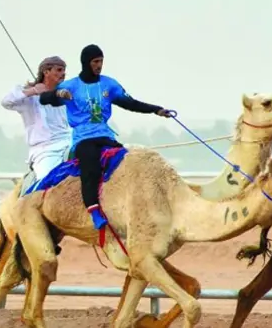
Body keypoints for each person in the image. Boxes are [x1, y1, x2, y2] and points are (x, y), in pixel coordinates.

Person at [40, 44, 174, 229]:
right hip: (83, 138)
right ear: (86, 63)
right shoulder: (71, 86)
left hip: (104, 134)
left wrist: (156, 110)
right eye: (96, 61)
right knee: (91, 167)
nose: (99, 65)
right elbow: (44, 99)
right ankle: (93, 211)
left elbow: (130, 103)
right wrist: (57, 93)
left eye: (101, 61)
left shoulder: (108, 84)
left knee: (125, 161)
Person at [1, 56, 72, 182]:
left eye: (64, 71)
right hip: (45, 150)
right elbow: (6, 102)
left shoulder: (64, 94)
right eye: (59, 70)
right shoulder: (28, 97)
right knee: (46, 182)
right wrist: (33, 91)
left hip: (69, 141)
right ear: (46, 72)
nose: (63, 74)